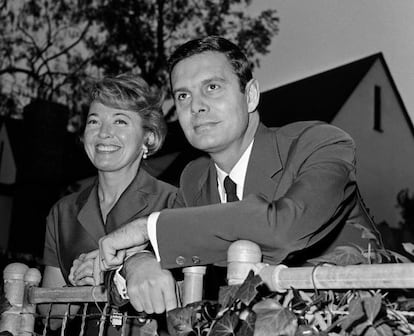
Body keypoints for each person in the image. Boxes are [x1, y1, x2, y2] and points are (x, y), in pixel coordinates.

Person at [98, 36, 380, 314]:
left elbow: (283, 228)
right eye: (183, 95)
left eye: (212, 87)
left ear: (251, 95)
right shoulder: (194, 178)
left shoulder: (320, 143)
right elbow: (169, 241)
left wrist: (147, 227)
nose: (196, 106)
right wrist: (139, 263)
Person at [40, 74, 177, 334]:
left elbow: (188, 302)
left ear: (147, 138)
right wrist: (78, 287)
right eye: (94, 121)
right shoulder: (62, 212)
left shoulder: (175, 203)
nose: (104, 133)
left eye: (120, 121)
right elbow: (50, 316)